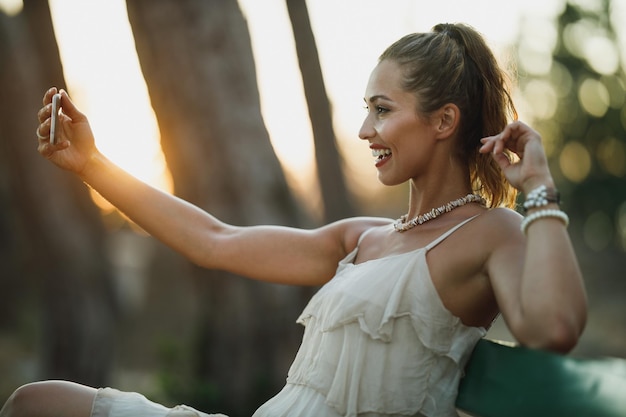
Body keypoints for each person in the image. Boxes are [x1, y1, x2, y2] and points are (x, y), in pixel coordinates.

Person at [2, 22, 587, 417]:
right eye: (366, 110)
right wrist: (92, 165)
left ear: (443, 121)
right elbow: (214, 240)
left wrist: (539, 191)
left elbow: (554, 330)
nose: (364, 132)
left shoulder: (490, 233)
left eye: (382, 111)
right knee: (36, 402)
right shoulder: (360, 238)